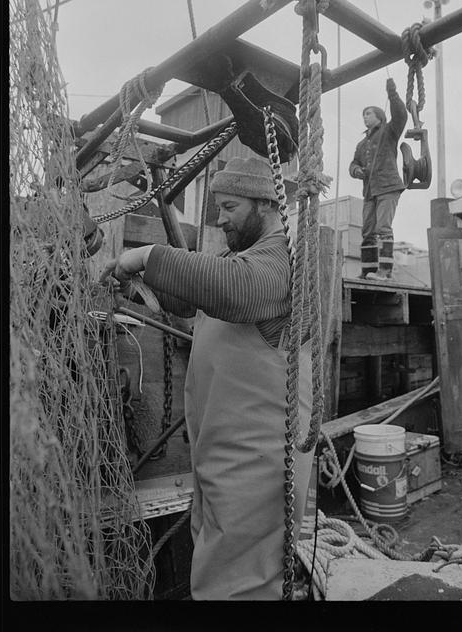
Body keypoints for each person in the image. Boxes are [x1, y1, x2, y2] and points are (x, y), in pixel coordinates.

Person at [100, 157, 313, 600]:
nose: (220, 219)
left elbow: (233, 290)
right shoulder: (242, 260)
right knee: (217, 570)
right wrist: (140, 282)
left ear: (266, 204)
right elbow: (195, 298)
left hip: (260, 461)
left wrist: (146, 254)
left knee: (239, 586)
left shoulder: (282, 261)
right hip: (223, 456)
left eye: (230, 207)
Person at [349, 77, 408, 279]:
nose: (364, 118)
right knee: (367, 232)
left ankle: (385, 271)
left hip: (388, 187)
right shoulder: (361, 144)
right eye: (363, 115)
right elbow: (353, 164)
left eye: (368, 114)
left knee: (383, 228)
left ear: (379, 116)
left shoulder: (390, 131)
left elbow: (400, 115)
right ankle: (368, 271)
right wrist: (357, 171)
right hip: (370, 192)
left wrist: (392, 94)